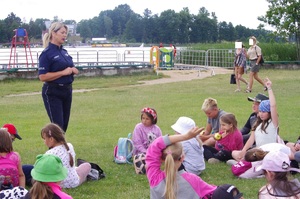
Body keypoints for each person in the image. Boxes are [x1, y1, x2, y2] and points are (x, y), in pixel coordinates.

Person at [145, 126, 243, 199]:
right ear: (183, 157)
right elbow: (214, 192)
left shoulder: (154, 178)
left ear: (161, 159)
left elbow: (155, 145)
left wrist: (184, 137)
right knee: (227, 189)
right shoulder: (192, 180)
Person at [38, 22, 79, 132]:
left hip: (67, 90)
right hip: (53, 92)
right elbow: (42, 76)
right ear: (53, 33)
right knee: (57, 127)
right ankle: (53, 149)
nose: (64, 35)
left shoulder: (64, 52)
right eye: (62, 32)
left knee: (64, 126)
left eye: (66, 33)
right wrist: (62, 73)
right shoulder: (46, 54)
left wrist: (74, 70)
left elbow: (71, 67)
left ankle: (61, 148)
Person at [232, 78, 279, 161]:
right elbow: (251, 139)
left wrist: (269, 88)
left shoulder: (273, 123)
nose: (261, 114)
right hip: (258, 152)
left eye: (264, 112)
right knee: (235, 153)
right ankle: (242, 162)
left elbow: (273, 105)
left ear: (269, 112)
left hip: (269, 153)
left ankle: (241, 164)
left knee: (248, 157)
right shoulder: (257, 122)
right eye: (260, 111)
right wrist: (243, 151)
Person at [41, 123, 91, 188]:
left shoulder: (48, 154)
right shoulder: (69, 146)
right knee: (87, 165)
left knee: (78, 169)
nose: (44, 142)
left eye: (44, 139)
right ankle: (84, 176)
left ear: (51, 139)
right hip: (73, 182)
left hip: (58, 184)